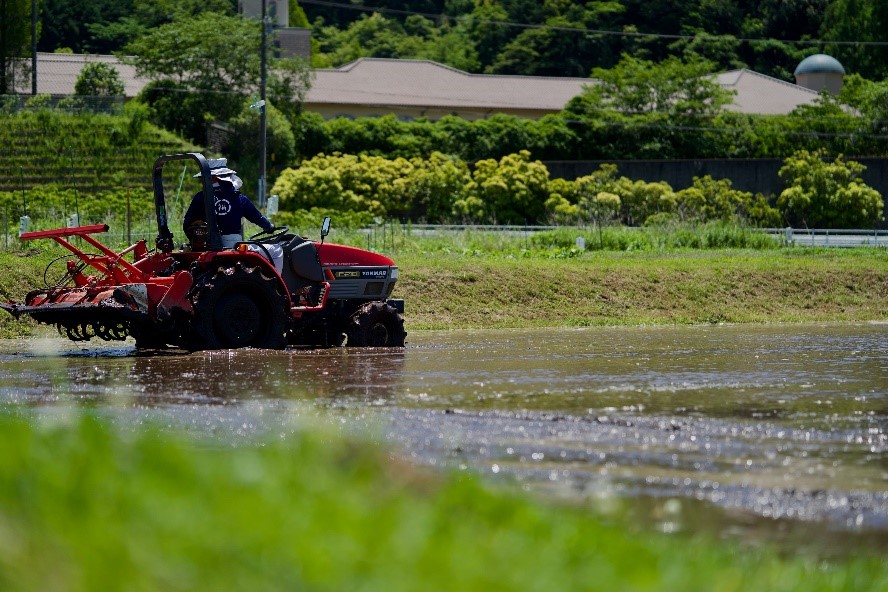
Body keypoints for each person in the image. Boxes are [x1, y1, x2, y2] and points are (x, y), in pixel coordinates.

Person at [183, 158, 273, 249]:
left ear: (213, 177)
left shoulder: (199, 197)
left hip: (206, 246)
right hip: (233, 245)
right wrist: (269, 227)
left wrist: (196, 241)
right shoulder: (239, 198)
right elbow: (258, 218)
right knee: (275, 250)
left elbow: (186, 224)